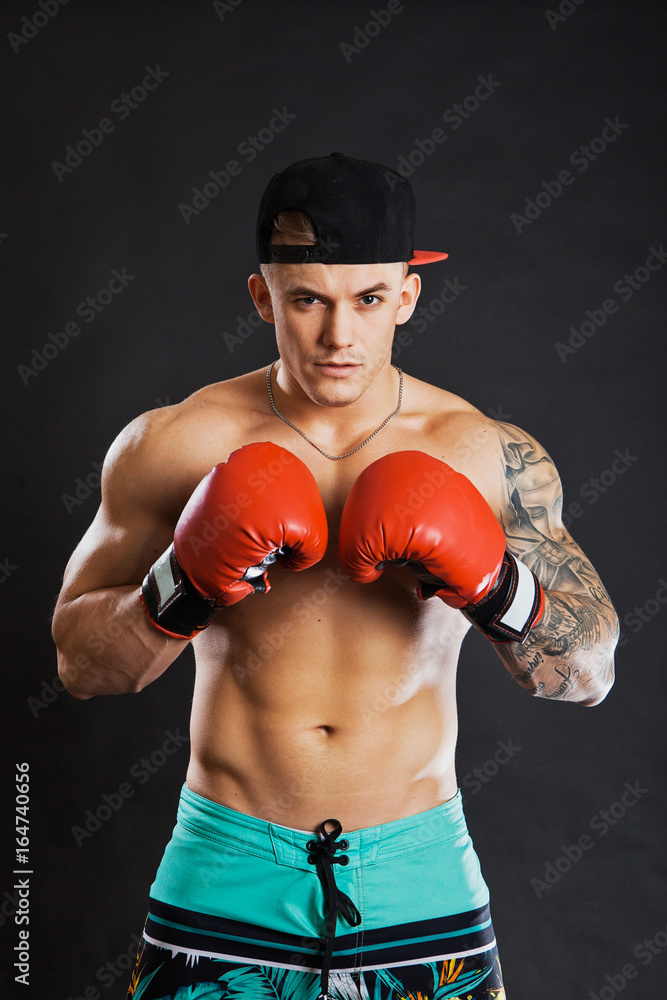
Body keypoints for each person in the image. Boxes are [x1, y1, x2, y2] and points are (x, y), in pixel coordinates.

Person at [52, 152, 619, 1000]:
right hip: (224, 865)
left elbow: (588, 674)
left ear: (409, 295)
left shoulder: (481, 452)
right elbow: (81, 667)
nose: (337, 336)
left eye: (368, 300)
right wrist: (184, 581)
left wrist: (492, 580)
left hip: (420, 874)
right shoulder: (175, 443)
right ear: (262, 296)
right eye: (307, 299)